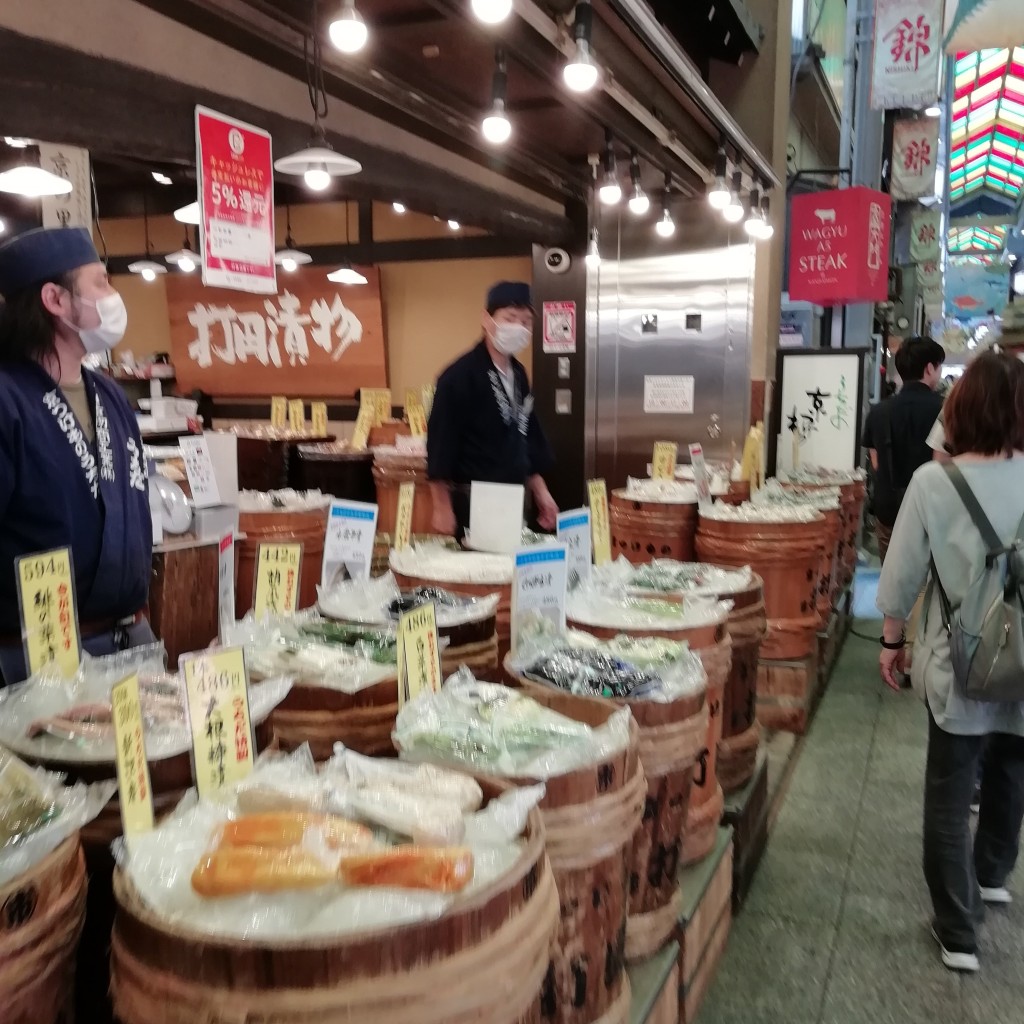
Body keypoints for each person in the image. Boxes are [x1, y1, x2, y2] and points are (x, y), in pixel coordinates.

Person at [876, 351, 1024, 974]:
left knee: (949, 789)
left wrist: (891, 641)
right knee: (1013, 769)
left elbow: (904, 570)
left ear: (955, 410)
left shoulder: (934, 484)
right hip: (1023, 657)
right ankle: (992, 875)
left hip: (957, 659)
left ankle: (959, 929)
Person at [0, 227, 154, 685]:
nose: (113, 296)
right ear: (55, 300)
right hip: (38, 659)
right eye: (101, 282)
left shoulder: (107, 392)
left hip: (129, 638)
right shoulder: (7, 399)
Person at [427, 281, 557, 539]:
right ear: (487, 320)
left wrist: (541, 491)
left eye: (526, 322)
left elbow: (526, 435)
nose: (519, 328)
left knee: (510, 572)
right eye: (510, 318)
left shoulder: (519, 374)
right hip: (473, 498)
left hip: (514, 496)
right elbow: (440, 444)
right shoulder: (458, 376)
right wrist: (441, 506)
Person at [862, 336, 945, 562]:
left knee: (892, 575)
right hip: (930, 510)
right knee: (928, 582)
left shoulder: (879, 411)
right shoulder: (945, 410)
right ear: (929, 369)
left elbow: (876, 463)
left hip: (888, 507)